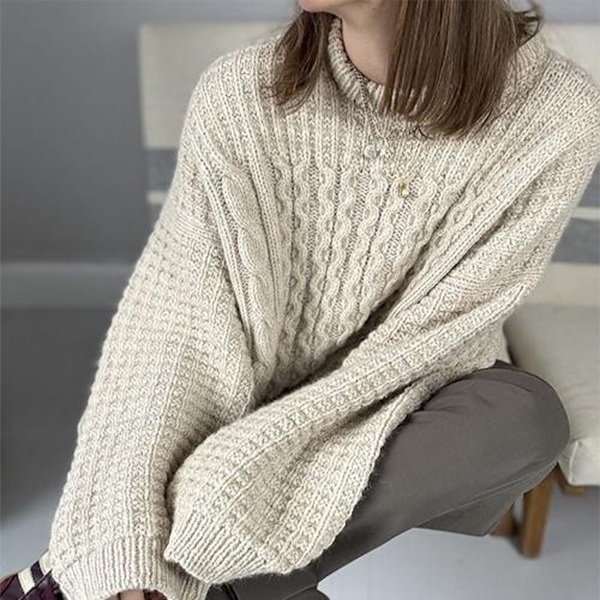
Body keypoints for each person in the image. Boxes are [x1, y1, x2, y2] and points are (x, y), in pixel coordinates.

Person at [3, 0, 597, 598]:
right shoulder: (240, 94)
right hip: (243, 393)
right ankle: (212, 584)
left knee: (524, 420)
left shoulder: (557, 113)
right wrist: (120, 533)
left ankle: (190, 576)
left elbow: (437, 336)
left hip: (408, 384)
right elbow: (170, 332)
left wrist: (237, 483)